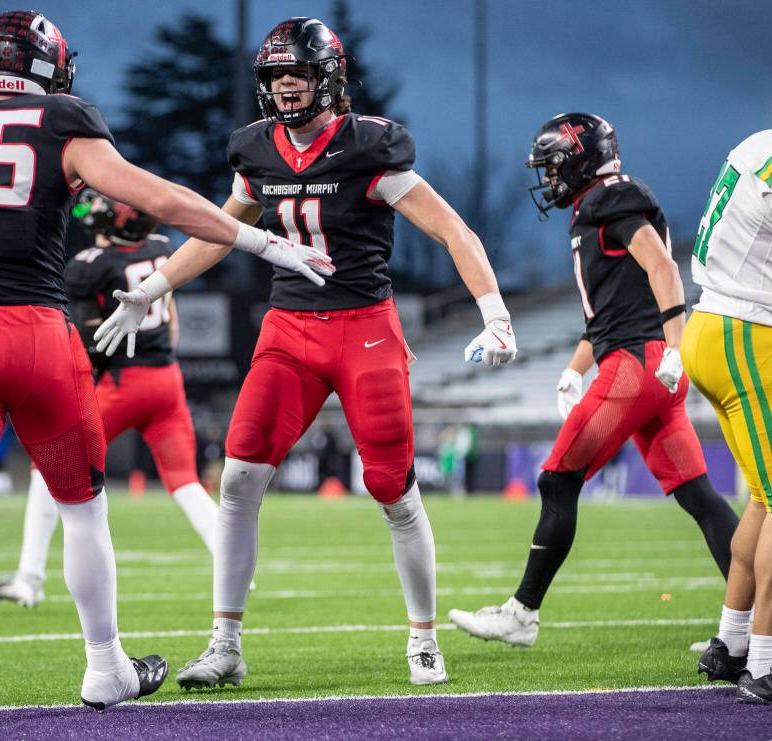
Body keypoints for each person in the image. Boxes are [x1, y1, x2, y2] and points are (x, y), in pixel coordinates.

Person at [0, 10, 332, 732]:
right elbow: (160, 200)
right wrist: (266, 242)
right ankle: (106, 666)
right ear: (46, 69)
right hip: (39, 335)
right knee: (81, 507)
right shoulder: (60, 122)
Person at [93, 17, 519, 688]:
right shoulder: (257, 152)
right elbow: (219, 229)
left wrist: (494, 312)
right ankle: (225, 642)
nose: (285, 86)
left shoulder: (368, 148)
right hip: (289, 328)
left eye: (297, 73)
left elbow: (453, 229)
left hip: (365, 329)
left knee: (393, 489)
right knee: (236, 478)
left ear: (328, 78)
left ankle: (423, 635)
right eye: (274, 76)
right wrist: (154, 285)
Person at [449, 113, 739, 649]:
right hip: (647, 366)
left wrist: (676, 345)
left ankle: (522, 613)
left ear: (582, 158)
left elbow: (663, 268)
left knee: (558, 480)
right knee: (700, 495)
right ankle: (746, 626)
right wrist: (572, 370)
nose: (550, 177)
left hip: (639, 365)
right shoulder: (595, 207)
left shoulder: (611, 199)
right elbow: (609, 313)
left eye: (555, 164)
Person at [0, 192, 222, 607]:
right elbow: (173, 317)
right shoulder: (163, 248)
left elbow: (71, 326)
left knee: (46, 468)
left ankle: (29, 578)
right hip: (167, 378)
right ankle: (234, 565)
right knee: (184, 481)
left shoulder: (93, 264)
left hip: (121, 383)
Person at [684, 130, 772, 704]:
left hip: (714, 326)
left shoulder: (758, 142)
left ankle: (733, 642)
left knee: (765, 498)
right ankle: (766, 663)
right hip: (746, 331)